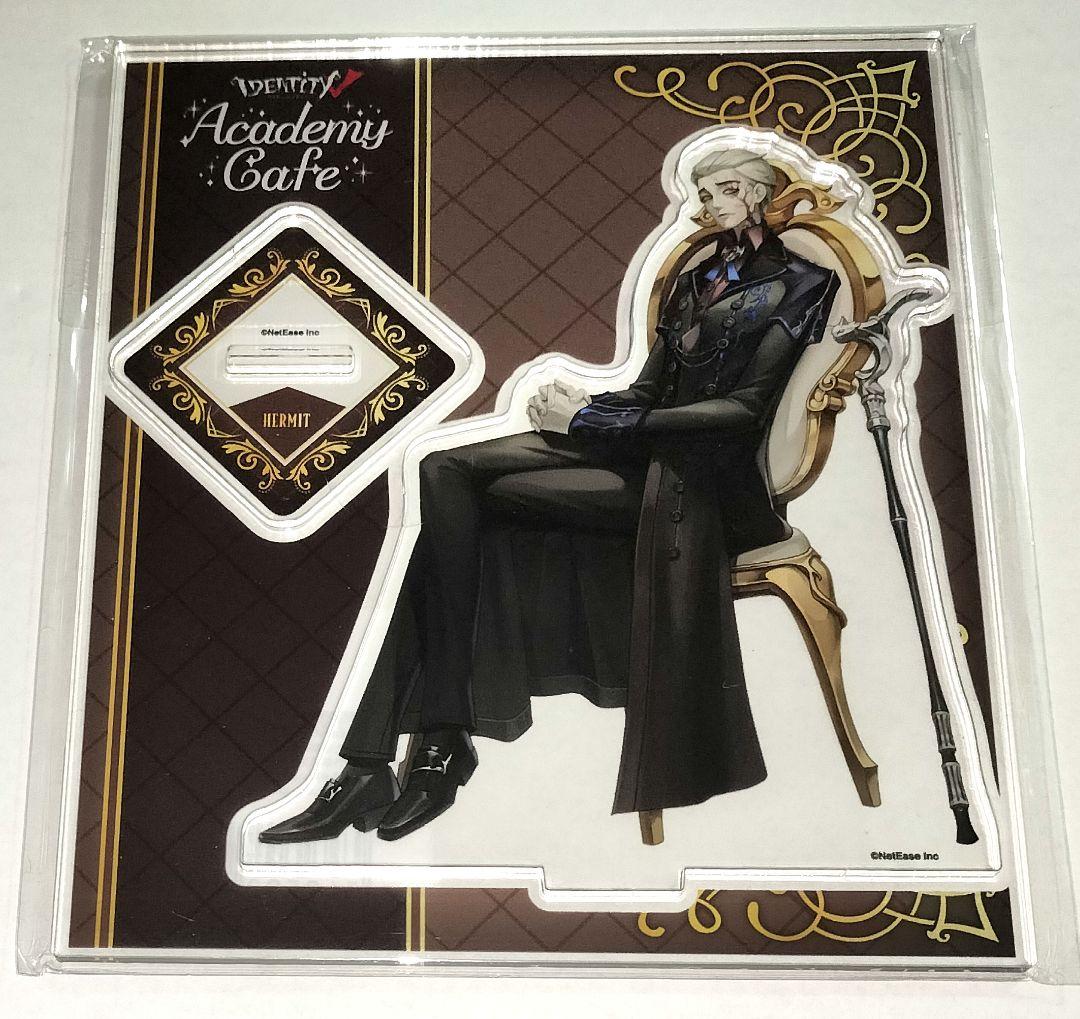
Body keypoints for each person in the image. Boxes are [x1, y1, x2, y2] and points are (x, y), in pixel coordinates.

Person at [260, 146, 840, 844]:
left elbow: (742, 413)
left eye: (719, 191)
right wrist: (583, 406)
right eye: (704, 192)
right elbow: (649, 389)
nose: (704, 205)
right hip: (644, 450)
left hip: (706, 487)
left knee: (466, 508)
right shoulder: (698, 277)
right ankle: (429, 745)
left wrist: (590, 423)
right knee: (443, 470)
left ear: (754, 193)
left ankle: (403, 757)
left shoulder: (804, 283)